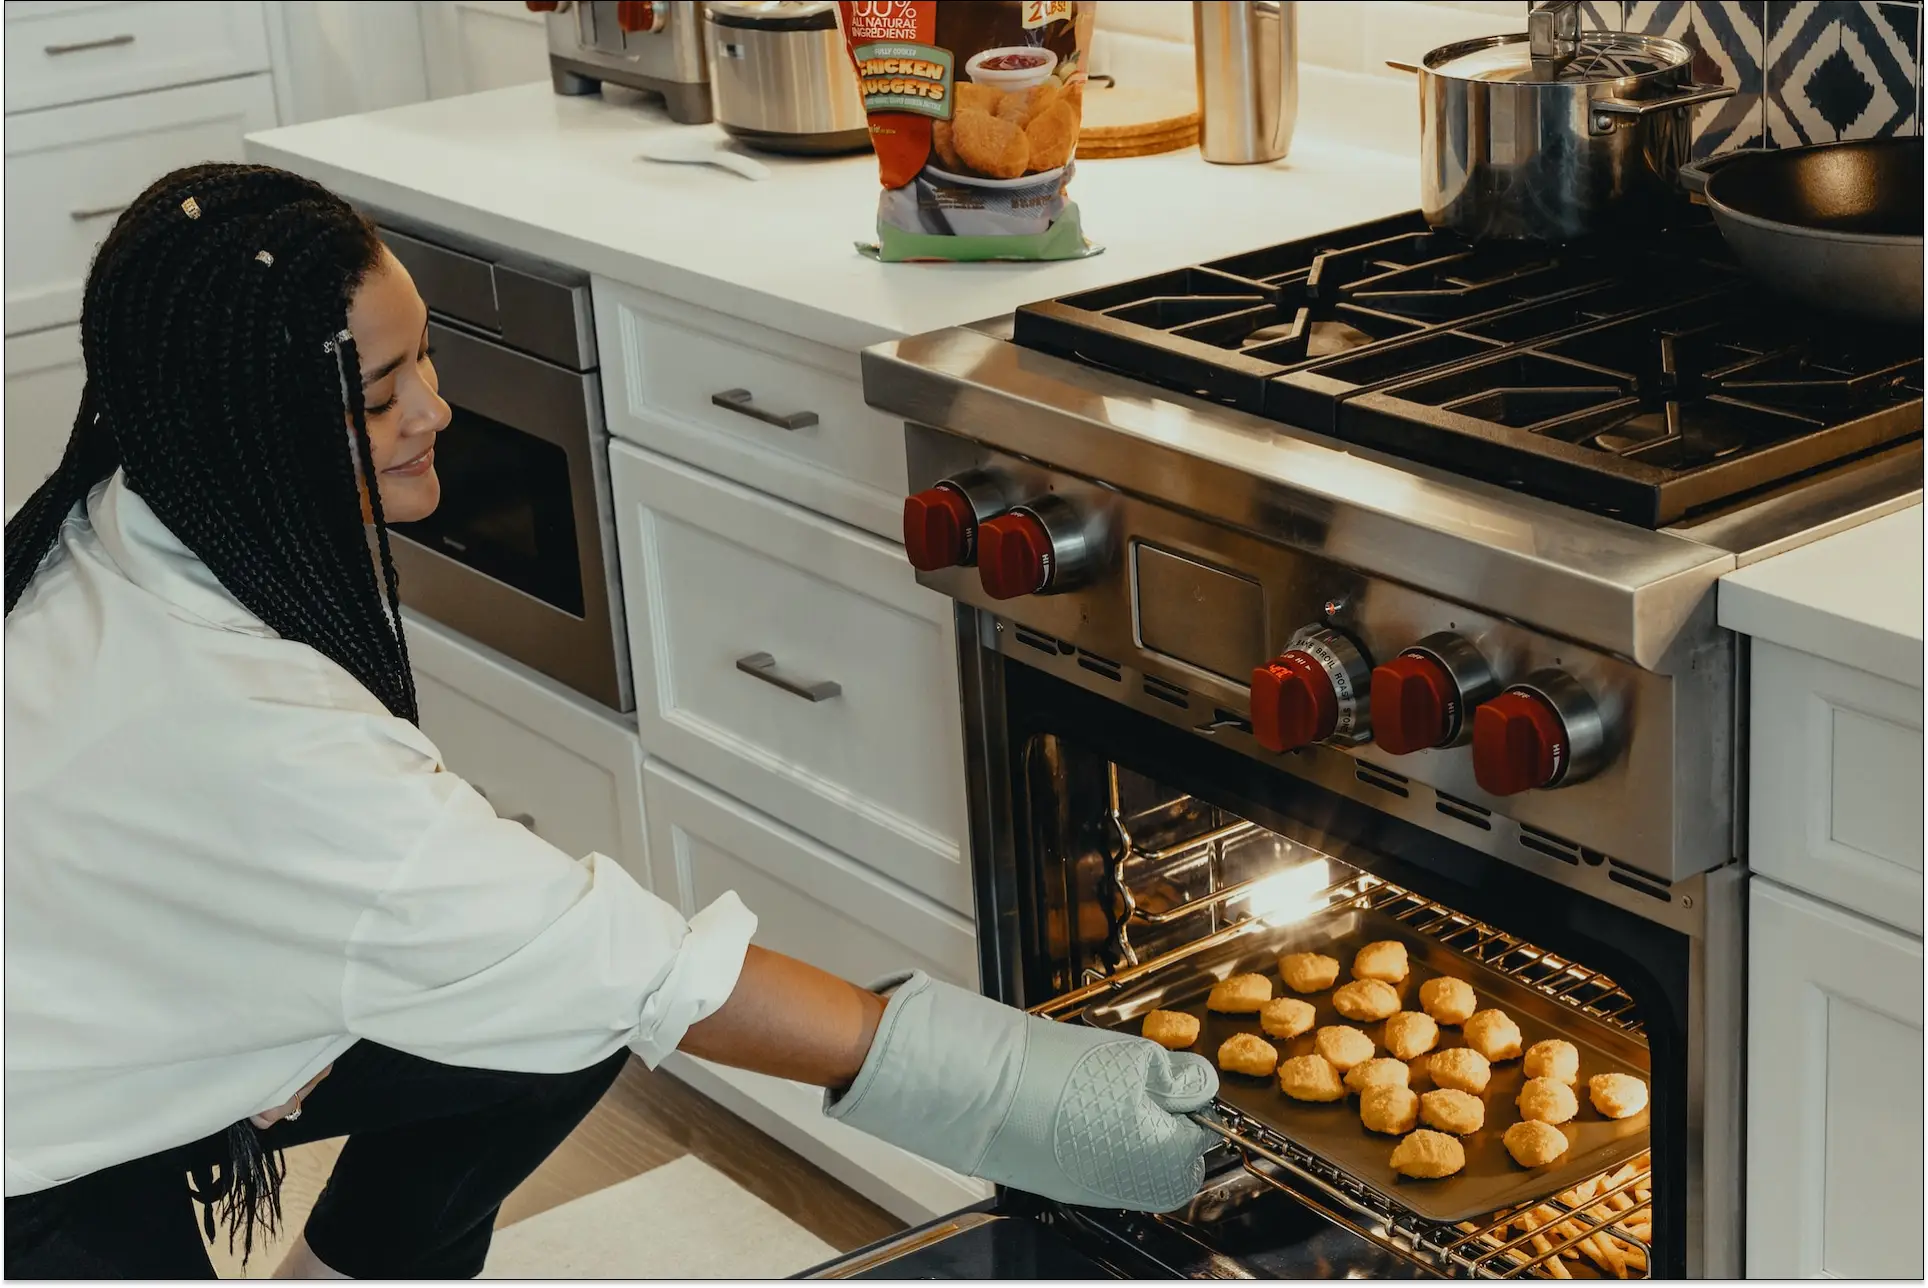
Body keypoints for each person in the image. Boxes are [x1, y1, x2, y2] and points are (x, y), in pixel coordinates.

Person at [1, 163, 1218, 1279]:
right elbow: (640, 970)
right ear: (245, 431)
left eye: (422, 358)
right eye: (378, 398)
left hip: (94, 990)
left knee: (537, 1022)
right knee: (573, 982)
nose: (433, 410)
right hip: (33, 1151)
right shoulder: (256, 732)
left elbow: (548, 960)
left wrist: (262, 987)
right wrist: (1017, 1088)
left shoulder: (130, 513)